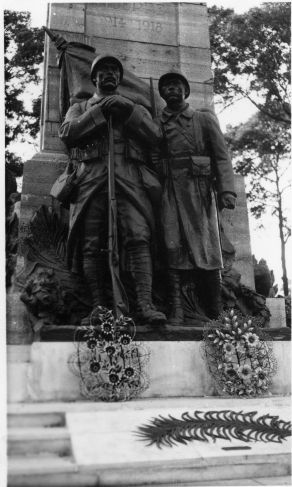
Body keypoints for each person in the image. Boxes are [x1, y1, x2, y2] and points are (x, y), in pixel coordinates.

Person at [58, 54, 166, 324]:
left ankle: (144, 303)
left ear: (119, 77)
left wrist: (126, 110)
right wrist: (100, 111)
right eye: (102, 71)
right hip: (91, 179)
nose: (109, 75)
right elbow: (67, 133)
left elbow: (155, 135)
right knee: (91, 243)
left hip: (129, 178)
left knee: (139, 237)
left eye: (113, 71)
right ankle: (98, 307)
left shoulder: (134, 106)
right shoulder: (81, 106)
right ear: (93, 78)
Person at [155, 70, 237, 324]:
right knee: (172, 245)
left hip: (200, 192)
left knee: (209, 247)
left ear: (186, 91)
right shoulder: (158, 122)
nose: (171, 90)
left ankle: (216, 310)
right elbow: (153, 154)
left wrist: (226, 190)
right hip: (170, 190)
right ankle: (177, 309)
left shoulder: (203, 119)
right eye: (166, 86)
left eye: (176, 85)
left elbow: (222, 156)